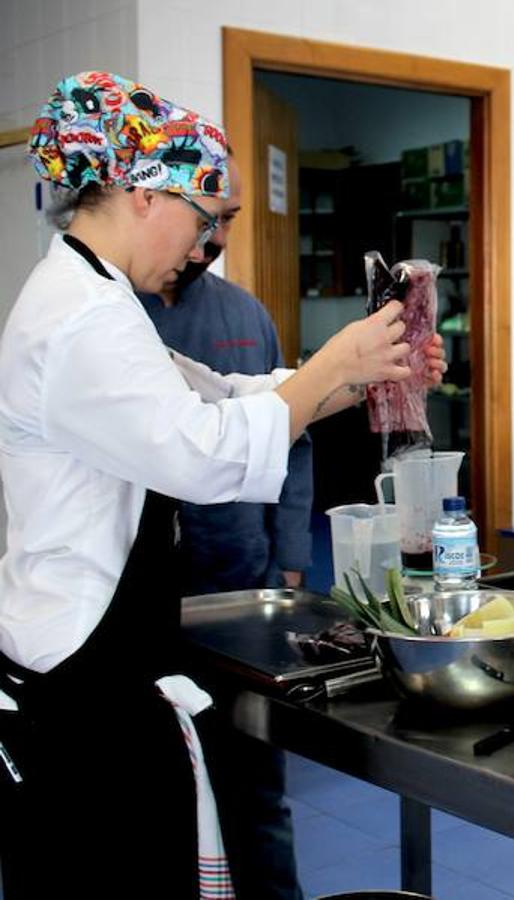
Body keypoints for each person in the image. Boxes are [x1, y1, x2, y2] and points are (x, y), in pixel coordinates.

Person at [0, 71, 445, 897]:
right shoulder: (81, 318)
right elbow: (202, 456)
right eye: (203, 220)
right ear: (143, 194)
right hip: (78, 675)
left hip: (101, 656)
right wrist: (331, 368)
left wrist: (358, 376)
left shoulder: (99, 298)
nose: (203, 248)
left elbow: (219, 395)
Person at [137, 153, 310, 900]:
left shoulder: (245, 314)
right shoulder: (110, 317)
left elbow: (289, 436)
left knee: (255, 788)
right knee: (159, 798)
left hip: (241, 582)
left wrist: (291, 555)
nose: (210, 241)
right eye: (204, 219)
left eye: (229, 222)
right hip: (143, 598)